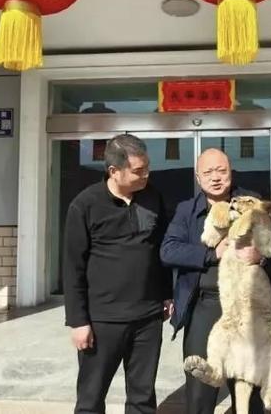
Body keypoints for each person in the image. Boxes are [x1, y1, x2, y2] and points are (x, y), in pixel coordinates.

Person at [160, 148, 271, 414]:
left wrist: (261, 257)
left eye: (221, 171)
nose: (215, 177)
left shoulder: (254, 203)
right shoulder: (186, 210)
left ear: (231, 173)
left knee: (249, 386)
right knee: (200, 390)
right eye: (208, 172)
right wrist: (211, 253)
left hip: (250, 307)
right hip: (204, 306)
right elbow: (168, 250)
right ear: (198, 177)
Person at [63, 134, 173, 414]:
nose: (145, 175)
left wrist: (166, 294)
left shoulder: (153, 197)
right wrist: (78, 321)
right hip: (103, 320)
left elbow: (160, 249)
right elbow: (73, 266)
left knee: (142, 398)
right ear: (114, 171)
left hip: (147, 318)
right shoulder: (85, 205)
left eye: (147, 168)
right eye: (138, 170)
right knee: (90, 398)